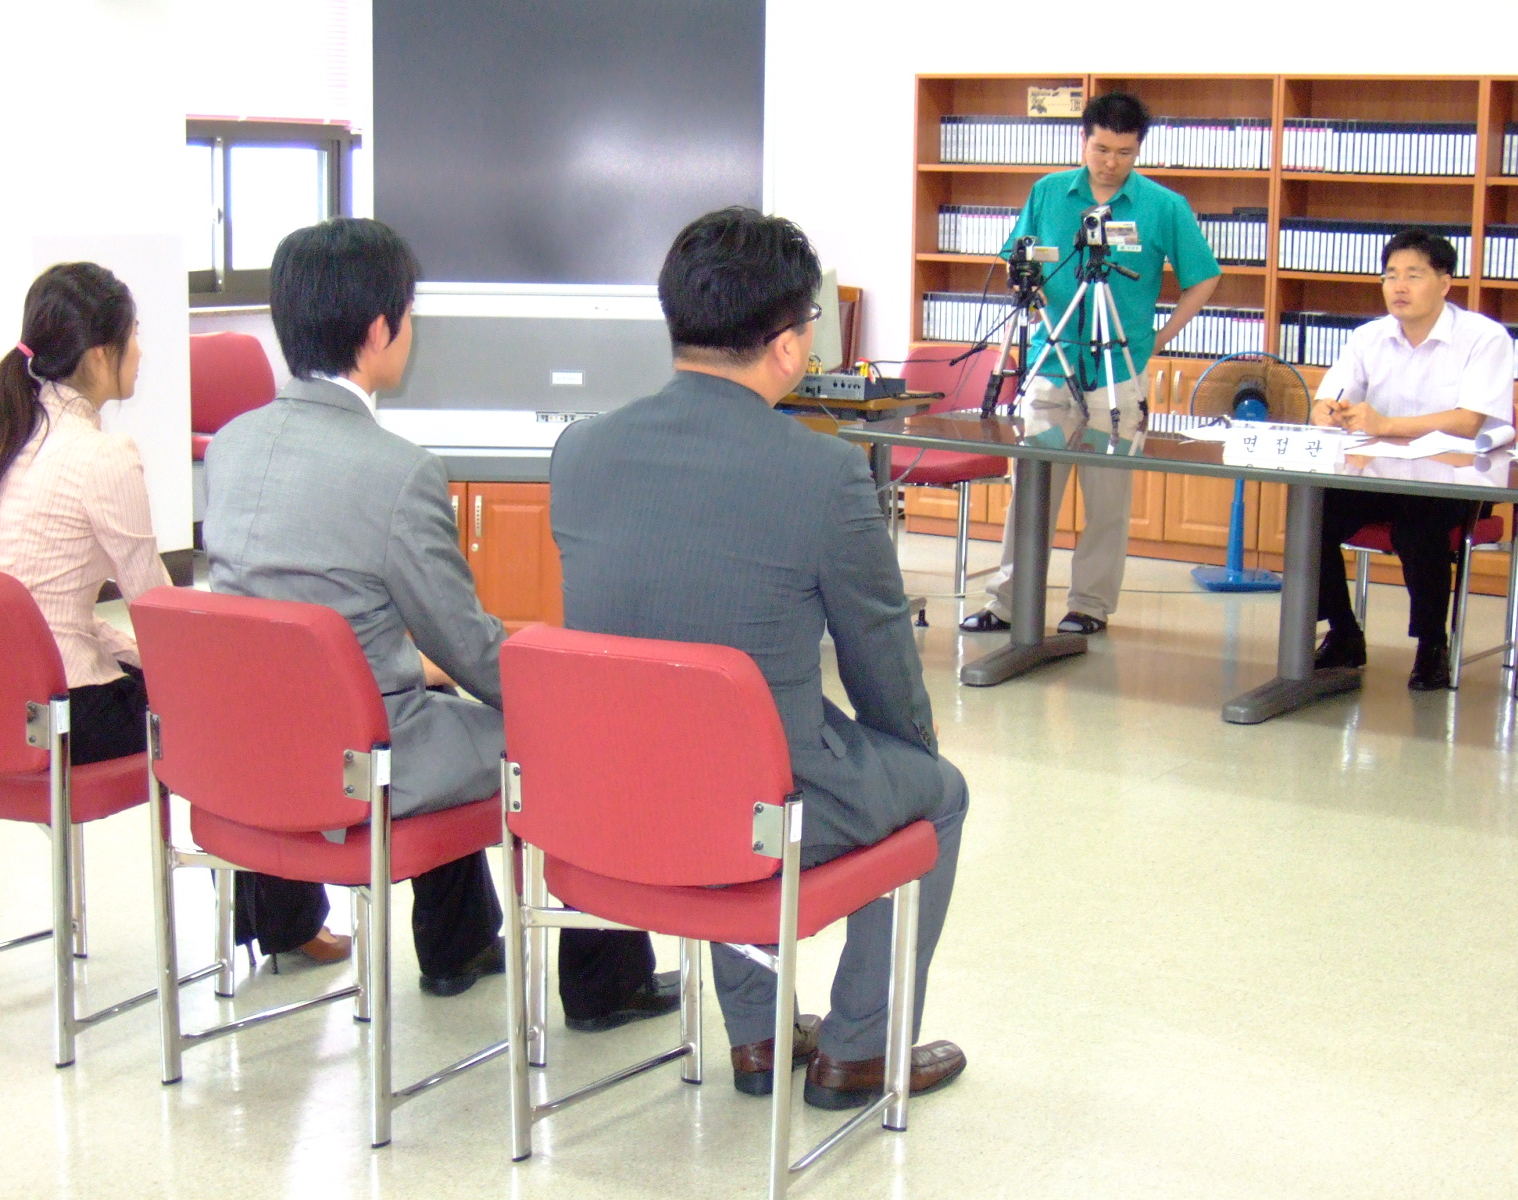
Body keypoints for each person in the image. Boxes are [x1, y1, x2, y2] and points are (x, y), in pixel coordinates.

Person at [203, 217, 677, 1022]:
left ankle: (459, 947)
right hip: (364, 758)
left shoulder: (231, 446)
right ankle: (605, 986)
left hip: (250, 746)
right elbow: (469, 648)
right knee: (572, 738)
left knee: (436, 703)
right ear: (379, 329)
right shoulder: (396, 472)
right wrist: (565, 693)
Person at [550, 206, 969, 1108]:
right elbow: (882, 664)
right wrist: (912, 759)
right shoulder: (824, 475)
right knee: (937, 793)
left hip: (608, 798)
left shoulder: (578, 451)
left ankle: (758, 1036)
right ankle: (859, 1053)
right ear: (786, 345)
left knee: (715, 752)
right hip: (758, 812)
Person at [0, 262, 350, 968]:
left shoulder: (8, 442)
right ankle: (288, 924)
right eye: (135, 335)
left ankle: (278, 919)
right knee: (239, 713)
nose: (143, 351)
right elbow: (159, 612)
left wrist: (130, 653)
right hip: (64, 716)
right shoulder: (101, 456)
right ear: (98, 355)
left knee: (206, 694)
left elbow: (43, 613)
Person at [961, 92, 1222, 637]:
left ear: (1139, 149)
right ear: (1084, 140)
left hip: (1118, 373)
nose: (1110, 162)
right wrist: (1028, 287)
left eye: (1124, 153)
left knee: (1108, 501)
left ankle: (1090, 606)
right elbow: (1015, 257)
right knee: (1032, 493)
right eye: (1101, 149)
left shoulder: (1163, 206)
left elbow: (1204, 276)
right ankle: (1008, 602)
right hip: (1051, 363)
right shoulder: (1049, 192)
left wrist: (1158, 339)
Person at [1309, 228, 1515, 691]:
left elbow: (1468, 422)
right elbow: (1329, 397)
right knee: (1312, 514)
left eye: (1413, 275)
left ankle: (1432, 645)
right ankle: (1343, 633)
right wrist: (1326, 410)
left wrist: (1385, 425)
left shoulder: (1484, 338)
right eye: (1390, 275)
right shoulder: (1368, 337)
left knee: (1418, 530)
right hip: (1382, 475)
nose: (1398, 286)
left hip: (1458, 480)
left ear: (1444, 283)